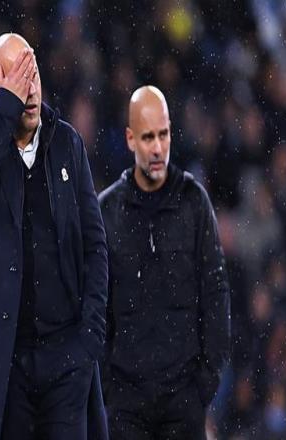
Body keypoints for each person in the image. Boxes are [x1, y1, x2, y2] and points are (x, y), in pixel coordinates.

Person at [0, 33, 109, 440]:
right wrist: (4, 114)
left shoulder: (67, 142)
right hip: (4, 360)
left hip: (66, 357)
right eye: (18, 80)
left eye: (33, 76)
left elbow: (95, 246)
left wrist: (88, 340)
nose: (31, 90)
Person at [98, 85, 231, 439]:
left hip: (183, 401)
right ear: (130, 139)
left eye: (163, 135)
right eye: (147, 137)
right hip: (126, 405)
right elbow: (93, 307)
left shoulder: (194, 202)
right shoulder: (106, 212)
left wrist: (205, 383)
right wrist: (109, 388)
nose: (157, 148)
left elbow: (216, 293)